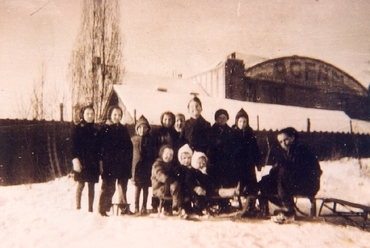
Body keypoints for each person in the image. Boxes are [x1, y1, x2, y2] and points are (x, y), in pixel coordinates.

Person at [269, 127, 322, 223]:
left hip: (308, 184)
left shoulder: (301, 149)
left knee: (283, 172)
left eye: (285, 140)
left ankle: (288, 209)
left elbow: (296, 169)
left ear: (292, 138)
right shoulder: (288, 152)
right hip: (296, 182)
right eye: (280, 142)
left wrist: (281, 166)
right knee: (267, 181)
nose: (283, 144)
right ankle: (283, 206)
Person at [98, 106, 133, 217]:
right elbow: (101, 147)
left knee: (123, 186)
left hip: (122, 163)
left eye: (119, 115)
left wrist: (127, 160)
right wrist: (103, 161)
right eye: (115, 115)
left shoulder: (123, 129)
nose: (117, 117)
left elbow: (129, 146)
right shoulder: (105, 129)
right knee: (108, 186)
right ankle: (103, 208)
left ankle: (123, 207)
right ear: (110, 115)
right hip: (110, 163)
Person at [231, 108, 261, 217]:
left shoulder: (250, 134)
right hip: (237, 164)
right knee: (239, 184)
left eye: (244, 121)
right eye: (240, 121)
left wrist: (258, 162)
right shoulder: (233, 134)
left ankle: (249, 206)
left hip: (248, 164)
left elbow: (255, 149)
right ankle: (240, 203)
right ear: (236, 122)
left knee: (251, 184)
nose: (242, 124)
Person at [71, 106, 100, 212]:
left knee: (91, 185)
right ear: (83, 115)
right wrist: (75, 160)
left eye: (92, 114)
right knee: (81, 183)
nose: (90, 116)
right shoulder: (77, 128)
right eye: (87, 113)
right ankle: (78, 207)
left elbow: (98, 147)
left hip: (93, 162)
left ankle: (90, 208)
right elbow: (73, 146)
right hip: (82, 161)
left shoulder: (96, 130)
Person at [131, 115, 155, 215]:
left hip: (146, 167)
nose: (142, 130)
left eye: (145, 128)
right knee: (137, 188)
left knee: (145, 189)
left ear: (148, 129)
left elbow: (152, 154)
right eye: (140, 127)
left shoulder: (150, 140)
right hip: (136, 168)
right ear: (137, 129)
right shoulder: (133, 140)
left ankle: (144, 207)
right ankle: (136, 207)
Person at [151, 145, 180, 216]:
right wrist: (168, 179)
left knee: (177, 186)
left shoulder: (171, 165)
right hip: (158, 187)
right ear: (162, 154)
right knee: (172, 187)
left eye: (171, 155)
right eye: (166, 154)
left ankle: (178, 206)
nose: (168, 156)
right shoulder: (157, 164)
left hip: (168, 185)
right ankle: (170, 207)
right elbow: (160, 175)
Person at [207, 109, 233, 188]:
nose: (222, 120)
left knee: (226, 183)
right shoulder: (211, 130)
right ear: (216, 119)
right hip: (214, 161)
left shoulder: (230, 131)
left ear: (227, 119)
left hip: (226, 161)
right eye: (219, 118)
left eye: (224, 118)